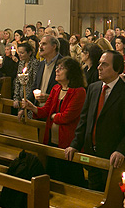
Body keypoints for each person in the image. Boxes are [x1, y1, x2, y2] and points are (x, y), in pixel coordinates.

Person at [65, 50, 125, 191]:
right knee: (94, 197)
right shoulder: (93, 88)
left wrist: (121, 150)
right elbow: (84, 120)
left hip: (115, 159)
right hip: (93, 155)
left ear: (117, 69)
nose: (99, 67)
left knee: (116, 201)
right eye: (99, 63)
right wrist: (75, 144)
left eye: (104, 65)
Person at [31, 57, 87, 186]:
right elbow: (45, 111)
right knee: (53, 176)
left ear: (71, 72)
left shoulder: (79, 92)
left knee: (68, 178)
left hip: (67, 142)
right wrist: (32, 107)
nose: (57, 70)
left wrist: (53, 116)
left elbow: (67, 116)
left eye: (61, 68)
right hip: (52, 140)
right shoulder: (56, 89)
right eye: (57, 67)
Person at [32, 35, 63, 103]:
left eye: (44, 44)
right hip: (39, 109)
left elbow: (67, 92)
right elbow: (35, 86)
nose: (40, 47)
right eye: (40, 44)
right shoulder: (41, 64)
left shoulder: (64, 64)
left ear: (54, 46)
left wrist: (50, 97)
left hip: (54, 109)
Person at [13, 42, 39, 119]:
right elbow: (17, 81)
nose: (19, 55)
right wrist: (16, 97)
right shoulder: (21, 63)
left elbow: (35, 81)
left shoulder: (35, 63)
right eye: (19, 52)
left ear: (29, 53)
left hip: (30, 97)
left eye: (22, 53)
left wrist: (28, 98)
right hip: (21, 95)